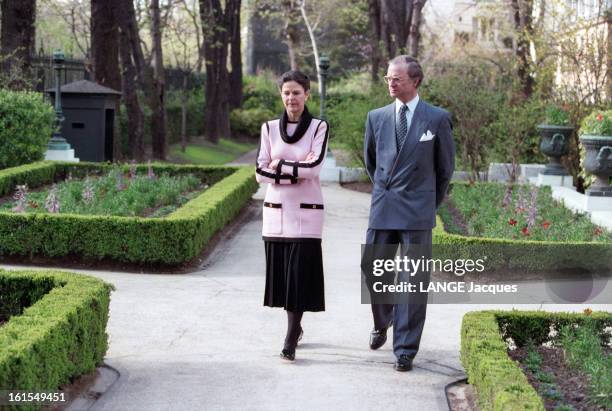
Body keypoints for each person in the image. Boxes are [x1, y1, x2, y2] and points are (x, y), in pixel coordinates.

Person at [363, 55, 455, 371]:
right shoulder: (376, 117)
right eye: (388, 78)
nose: (390, 82)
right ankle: (382, 320)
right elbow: (371, 163)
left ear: (415, 81)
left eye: (396, 78)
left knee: (413, 281)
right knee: (374, 268)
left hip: (418, 209)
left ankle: (405, 349)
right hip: (384, 204)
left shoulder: (437, 118)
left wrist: (428, 201)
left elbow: (445, 169)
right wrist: (386, 190)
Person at [255, 70, 329, 361]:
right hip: (276, 214)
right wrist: (293, 173)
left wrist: (280, 165)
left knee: (299, 277)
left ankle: (289, 339)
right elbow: (260, 171)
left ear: (307, 94)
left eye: (296, 92)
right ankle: (294, 329)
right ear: (281, 95)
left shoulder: (319, 127)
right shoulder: (269, 128)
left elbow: (314, 168)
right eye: (286, 92)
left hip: (307, 215)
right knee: (284, 280)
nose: (291, 97)